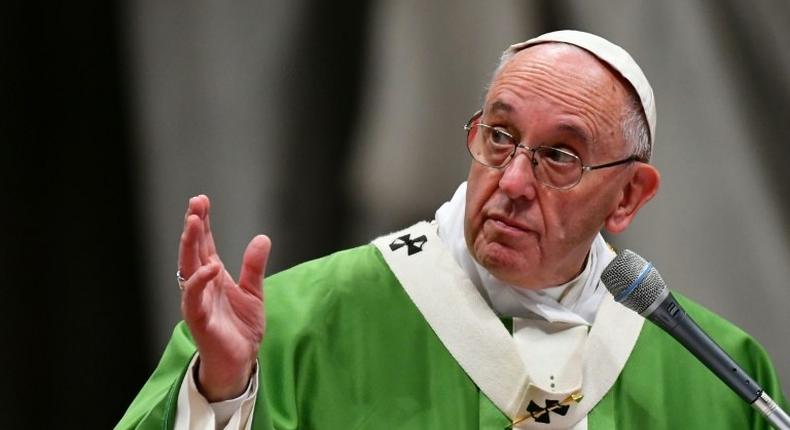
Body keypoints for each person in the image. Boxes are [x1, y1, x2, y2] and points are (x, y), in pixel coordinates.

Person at [117, 30, 786, 429]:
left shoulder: (718, 374)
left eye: (559, 156)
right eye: (499, 137)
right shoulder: (293, 331)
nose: (514, 182)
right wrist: (223, 391)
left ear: (628, 195)